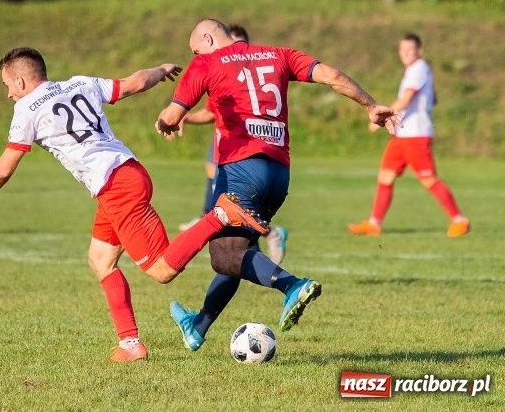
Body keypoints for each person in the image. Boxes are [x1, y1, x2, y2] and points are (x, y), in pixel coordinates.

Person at [0, 46, 269, 363]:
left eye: (7, 85)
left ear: (21, 82)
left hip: (117, 188)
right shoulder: (79, 83)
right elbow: (134, 82)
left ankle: (220, 214)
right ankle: (131, 345)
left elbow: (6, 166)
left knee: (161, 270)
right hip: (125, 174)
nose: (8, 94)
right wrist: (159, 70)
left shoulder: (26, 110)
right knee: (101, 260)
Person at [156, 19, 401, 352]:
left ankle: (292, 286)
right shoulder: (277, 54)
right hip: (278, 174)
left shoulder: (205, 63)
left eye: (195, 48)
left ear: (208, 39)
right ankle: (197, 327)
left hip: (241, 170)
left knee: (223, 255)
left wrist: (163, 122)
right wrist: (372, 106)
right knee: (240, 251)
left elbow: (171, 116)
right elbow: (331, 75)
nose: (195, 54)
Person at [177, 23, 287, 265]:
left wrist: (173, 116)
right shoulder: (220, 71)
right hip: (238, 151)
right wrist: (185, 116)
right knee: (234, 239)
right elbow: (210, 113)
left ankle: (286, 278)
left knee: (228, 233)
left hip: (242, 153)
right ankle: (210, 304)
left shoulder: (238, 70)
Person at [348, 33, 470, 237]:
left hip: (415, 135)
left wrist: (380, 119)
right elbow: (433, 97)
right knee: (385, 176)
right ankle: (374, 224)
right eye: (402, 50)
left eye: (410, 49)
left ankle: (460, 220)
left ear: (419, 51)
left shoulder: (418, 68)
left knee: (429, 179)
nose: (405, 53)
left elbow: (406, 100)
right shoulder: (417, 70)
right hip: (403, 135)